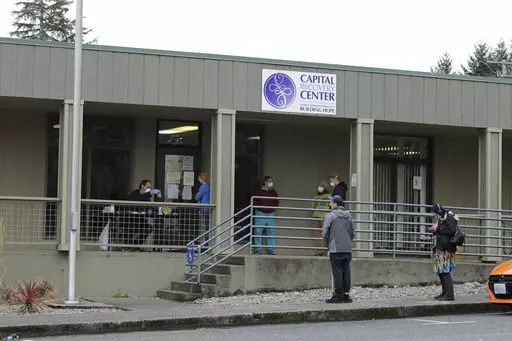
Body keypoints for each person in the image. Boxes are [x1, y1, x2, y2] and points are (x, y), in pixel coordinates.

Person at [323, 195, 355, 303]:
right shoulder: (349, 216)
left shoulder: (330, 216)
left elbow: (325, 233)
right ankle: (346, 295)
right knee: (346, 271)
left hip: (335, 248)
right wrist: (349, 243)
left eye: (331, 202)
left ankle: (337, 295)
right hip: (347, 248)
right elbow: (353, 232)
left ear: (336, 204)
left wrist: (328, 245)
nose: (330, 204)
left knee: (337, 272)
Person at [124, 180, 161, 250]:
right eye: (148, 187)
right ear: (142, 186)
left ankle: (135, 245)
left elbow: (150, 208)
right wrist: (149, 193)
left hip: (140, 220)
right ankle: (131, 246)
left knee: (148, 227)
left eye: (150, 188)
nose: (149, 189)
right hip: (130, 220)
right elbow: (138, 201)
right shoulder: (134, 194)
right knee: (140, 227)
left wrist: (158, 210)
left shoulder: (146, 198)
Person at [431, 204, 457, 301]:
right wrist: (435, 230)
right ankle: (444, 293)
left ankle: (449, 295)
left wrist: (438, 228)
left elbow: (451, 230)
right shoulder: (441, 219)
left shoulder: (449, 217)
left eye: (435, 213)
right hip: (440, 248)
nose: (434, 216)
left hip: (446, 250)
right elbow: (443, 231)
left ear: (439, 212)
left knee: (445, 272)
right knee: (440, 272)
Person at [252, 176, 279, 255]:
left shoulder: (273, 192)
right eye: (270, 181)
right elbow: (254, 201)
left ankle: (271, 250)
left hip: (270, 214)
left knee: (271, 231)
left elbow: (276, 202)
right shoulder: (258, 191)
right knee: (258, 231)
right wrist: (260, 207)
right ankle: (258, 250)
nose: (271, 183)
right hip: (260, 213)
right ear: (265, 182)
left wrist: (271, 208)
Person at [311, 181, 331, 256]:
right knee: (317, 235)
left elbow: (331, 205)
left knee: (325, 234)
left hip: (324, 217)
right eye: (319, 185)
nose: (319, 187)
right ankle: (320, 251)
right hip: (315, 217)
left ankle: (327, 251)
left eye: (321, 186)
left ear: (325, 187)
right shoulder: (315, 197)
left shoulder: (328, 196)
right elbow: (312, 207)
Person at [195, 172, 211, 244]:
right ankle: (207, 241)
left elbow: (197, 197)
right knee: (207, 225)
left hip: (205, 207)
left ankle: (206, 242)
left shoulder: (203, 187)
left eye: (199, 178)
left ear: (202, 179)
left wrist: (197, 194)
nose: (198, 179)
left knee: (205, 225)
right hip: (208, 207)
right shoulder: (209, 186)